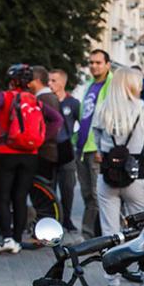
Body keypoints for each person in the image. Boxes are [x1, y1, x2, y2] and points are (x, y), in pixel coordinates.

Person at [92, 67, 144, 286]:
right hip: (135, 176)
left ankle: (112, 284)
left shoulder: (102, 109)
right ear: (133, 84)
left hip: (107, 177)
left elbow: (98, 144)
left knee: (109, 231)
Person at [0, 64, 63, 254]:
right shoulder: (35, 101)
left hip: (5, 152)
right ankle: (18, 241)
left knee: (2, 197)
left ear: (11, 80)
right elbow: (57, 119)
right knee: (20, 197)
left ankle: (7, 238)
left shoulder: (5, 96)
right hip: (30, 155)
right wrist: (42, 138)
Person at [76, 49, 112, 239]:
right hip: (83, 147)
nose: (94, 66)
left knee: (98, 195)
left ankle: (95, 236)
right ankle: (91, 235)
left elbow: (111, 118)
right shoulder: (90, 85)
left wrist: (103, 147)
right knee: (87, 195)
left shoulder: (111, 84)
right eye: (91, 62)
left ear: (107, 64)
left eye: (98, 62)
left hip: (97, 148)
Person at [49, 69, 80, 232]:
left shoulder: (73, 103)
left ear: (62, 82)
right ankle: (50, 219)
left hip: (66, 150)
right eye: (49, 80)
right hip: (49, 150)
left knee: (68, 187)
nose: (50, 84)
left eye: (53, 80)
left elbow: (82, 124)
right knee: (49, 187)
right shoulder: (46, 101)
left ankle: (66, 218)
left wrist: (74, 139)